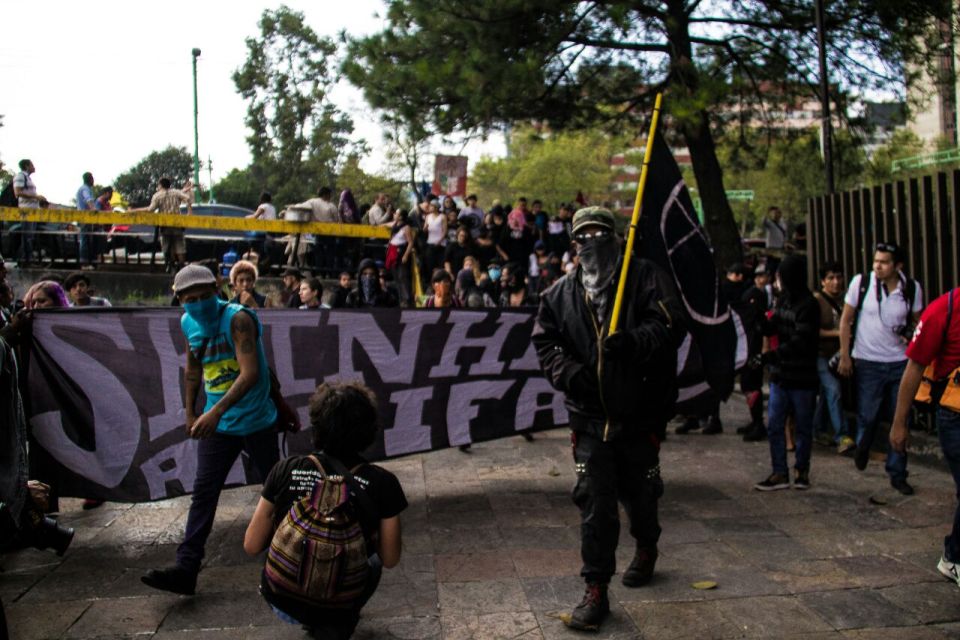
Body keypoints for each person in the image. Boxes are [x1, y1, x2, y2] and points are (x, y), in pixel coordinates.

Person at [532, 207, 684, 631]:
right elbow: (546, 343)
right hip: (589, 418)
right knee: (595, 504)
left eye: (600, 234)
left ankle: (647, 545)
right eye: (583, 236)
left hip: (639, 414)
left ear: (616, 238)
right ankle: (596, 588)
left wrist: (635, 342)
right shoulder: (558, 295)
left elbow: (672, 323)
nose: (591, 242)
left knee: (641, 493)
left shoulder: (645, 277)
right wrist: (570, 374)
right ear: (574, 245)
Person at [142, 264, 279, 596]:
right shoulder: (188, 322)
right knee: (204, 492)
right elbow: (193, 367)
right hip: (219, 423)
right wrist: (190, 411)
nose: (199, 304)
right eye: (191, 299)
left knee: (277, 491)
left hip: (256, 419)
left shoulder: (238, 319)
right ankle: (186, 568)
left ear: (218, 290)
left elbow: (250, 374)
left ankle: (291, 559)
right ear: (180, 300)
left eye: (205, 296)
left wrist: (213, 413)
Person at [244, 381, 407, 638]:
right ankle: (336, 619)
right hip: (340, 602)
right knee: (373, 560)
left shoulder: (285, 469)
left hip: (283, 601)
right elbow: (391, 558)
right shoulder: (382, 483)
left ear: (317, 426)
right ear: (369, 430)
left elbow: (252, 545)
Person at [838, 241, 923, 495]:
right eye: (876, 261)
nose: (878, 266)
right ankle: (864, 445)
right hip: (868, 360)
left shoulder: (910, 288)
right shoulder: (861, 283)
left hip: (899, 362)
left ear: (898, 266)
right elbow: (846, 320)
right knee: (869, 413)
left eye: (884, 262)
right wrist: (845, 355)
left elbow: (920, 323)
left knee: (900, 416)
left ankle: (898, 472)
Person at [889, 286, 960, 587]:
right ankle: (954, 558)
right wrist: (899, 424)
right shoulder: (944, 309)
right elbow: (915, 366)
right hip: (955, 417)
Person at [751, 255, 820, 491]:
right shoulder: (783, 301)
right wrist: (759, 315)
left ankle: (802, 470)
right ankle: (779, 472)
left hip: (802, 377)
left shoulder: (809, 305)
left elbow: (802, 341)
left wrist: (770, 357)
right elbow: (772, 327)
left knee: (802, 426)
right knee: (775, 424)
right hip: (781, 376)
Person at [813, 261, 853, 454]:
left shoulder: (847, 299)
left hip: (838, 355)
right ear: (823, 281)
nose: (836, 282)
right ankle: (841, 436)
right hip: (821, 355)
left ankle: (818, 429)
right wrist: (840, 333)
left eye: (838, 277)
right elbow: (814, 331)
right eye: (831, 278)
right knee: (834, 390)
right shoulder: (817, 301)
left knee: (827, 393)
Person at [135, 178, 193, 272]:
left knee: (167, 246)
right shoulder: (176, 192)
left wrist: (135, 210)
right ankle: (182, 267)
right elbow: (188, 198)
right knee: (179, 246)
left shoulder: (157, 196)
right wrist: (189, 212)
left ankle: (170, 266)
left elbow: (150, 210)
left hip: (165, 226)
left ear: (161, 185)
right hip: (177, 224)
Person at [13, 159, 46, 265]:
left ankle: (27, 259)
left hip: (32, 211)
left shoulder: (27, 178)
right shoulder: (20, 176)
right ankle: (24, 260)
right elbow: (18, 192)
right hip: (26, 211)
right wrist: (36, 197)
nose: (34, 167)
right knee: (27, 236)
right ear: (27, 166)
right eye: (32, 165)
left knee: (30, 236)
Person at [386, 209, 416, 307]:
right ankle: (401, 299)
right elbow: (387, 224)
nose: (394, 214)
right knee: (396, 277)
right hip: (392, 251)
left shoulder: (406, 227)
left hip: (401, 252)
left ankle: (407, 300)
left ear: (401, 217)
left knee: (403, 276)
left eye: (397, 213)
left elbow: (410, 242)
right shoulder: (395, 224)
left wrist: (406, 255)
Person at [422, 201, 447, 289]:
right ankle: (431, 283)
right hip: (430, 242)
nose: (430, 208)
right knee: (430, 264)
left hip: (440, 244)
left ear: (436, 207)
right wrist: (425, 228)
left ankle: (441, 282)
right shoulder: (428, 217)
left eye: (432, 206)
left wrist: (439, 241)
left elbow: (444, 231)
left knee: (440, 264)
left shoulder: (442, 217)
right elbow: (425, 230)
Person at [76, 172, 97, 267]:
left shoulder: (84, 188)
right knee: (85, 239)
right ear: (90, 179)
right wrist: (93, 209)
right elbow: (88, 199)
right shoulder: (85, 188)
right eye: (92, 178)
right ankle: (84, 262)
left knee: (86, 238)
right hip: (84, 217)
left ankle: (86, 261)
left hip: (84, 217)